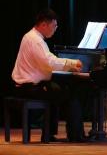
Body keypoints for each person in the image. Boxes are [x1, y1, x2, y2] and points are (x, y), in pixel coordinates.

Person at [10, 9, 87, 141]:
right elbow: (49, 62)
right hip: (28, 87)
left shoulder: (31, 36)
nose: (55, 29)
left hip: (28, 85)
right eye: (54, 26)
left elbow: (47, 62)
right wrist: (72, 63)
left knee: (57, 89)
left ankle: (49, 134)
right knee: (70, 94)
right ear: (44, 24)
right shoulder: (35, 40)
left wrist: (68, 67)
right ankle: (76, 136)